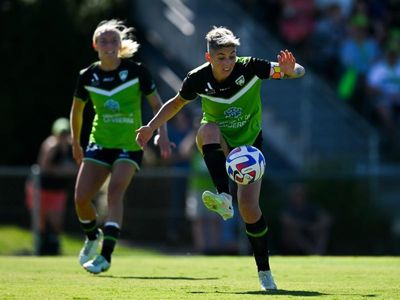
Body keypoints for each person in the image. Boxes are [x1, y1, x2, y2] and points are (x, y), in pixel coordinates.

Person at [136, 26, 305, 291]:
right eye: (221, 57)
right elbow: (176, 103)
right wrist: (151, 127)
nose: (228, 62)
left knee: (249, 208)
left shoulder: (251, 67)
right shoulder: (197, 78)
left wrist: (291, 70)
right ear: (208, 57)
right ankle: (223, 195)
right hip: (218, 140)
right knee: (208, 129)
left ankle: (264, 272)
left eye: (232, 55)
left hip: (249, 147)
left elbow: (296, 71)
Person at [70, 19, 172, 274]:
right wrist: (75, 142)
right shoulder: (87, 76)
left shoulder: (137, 71)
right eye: (103, 40)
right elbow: (77, 111)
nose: (109, 44)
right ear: (95, 45)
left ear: (119, 44)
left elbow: (157, 104)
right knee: (81, 198)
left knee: (115, 192)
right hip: (99, 143)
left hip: (130, 143)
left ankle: (105, 256)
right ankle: (93, 236)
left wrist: (162, 134)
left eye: (113, 40)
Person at [25, 117, 77, 255]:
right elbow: (44, 167)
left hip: (58, 190)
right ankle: (40, 248)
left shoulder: (72, 146)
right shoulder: (51, 146)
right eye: (61, 133)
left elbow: (78, 166)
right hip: (42, 189)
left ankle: (54, 247)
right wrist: (62, 171)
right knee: (40, 222)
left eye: (66, 132)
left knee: (56, 222)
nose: (63, 136)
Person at [280, 183, 332, 255]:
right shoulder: (289, 209)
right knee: (292, 232)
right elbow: (286, 221)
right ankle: (313, 253)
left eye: (301, 194)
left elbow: (327, 218)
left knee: (323, 231)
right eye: (297, 194)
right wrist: (306, 226)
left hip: (311, 234)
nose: (299, 196)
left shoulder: (312, 207)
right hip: (294, 238)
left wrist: (317, 226)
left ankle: (319, 253)